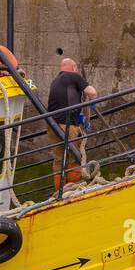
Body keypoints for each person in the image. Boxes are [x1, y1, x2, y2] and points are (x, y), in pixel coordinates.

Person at [47, 57, 98, 191]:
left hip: (53, 126)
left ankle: (59, 191)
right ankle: (74, 189)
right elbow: (91, 92)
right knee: (75, 156)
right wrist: (92, 98)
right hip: (67, 126)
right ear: (74, 68)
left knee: (59, 159)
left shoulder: (56, 81)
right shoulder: (73, 76)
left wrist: (78, 115)